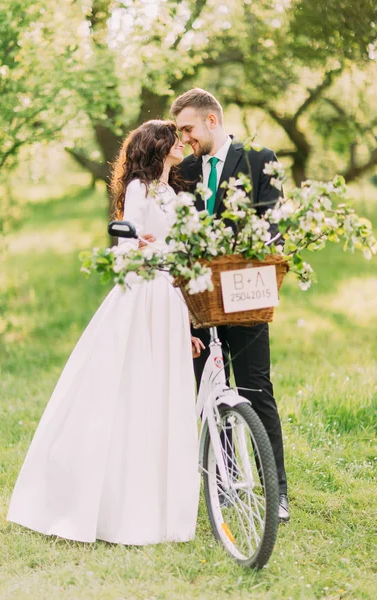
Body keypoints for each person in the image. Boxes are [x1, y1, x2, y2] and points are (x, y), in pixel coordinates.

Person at [7, 120, 204, 545]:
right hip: (142, 297)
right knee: (131, 392)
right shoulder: (139, 188)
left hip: (169, 300)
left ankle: (160, 502)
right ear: (159, 146)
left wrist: (187, 319)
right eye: (174, 137)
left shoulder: (172, 193)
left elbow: (176, 252)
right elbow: (126, 247)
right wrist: (145, 248)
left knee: (164, 397)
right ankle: (110, 502)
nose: (181, 142)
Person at [170, 88, 290, 523]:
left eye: (188, 129)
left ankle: (276, 491)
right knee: (207, 392)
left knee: (257, 389)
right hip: (199, 300)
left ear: (212, 121)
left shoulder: (260, 157)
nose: (184, 139)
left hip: (246, 294)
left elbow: (274, 219)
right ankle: (225, 483)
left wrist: (255, 246)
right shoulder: (182, 170)